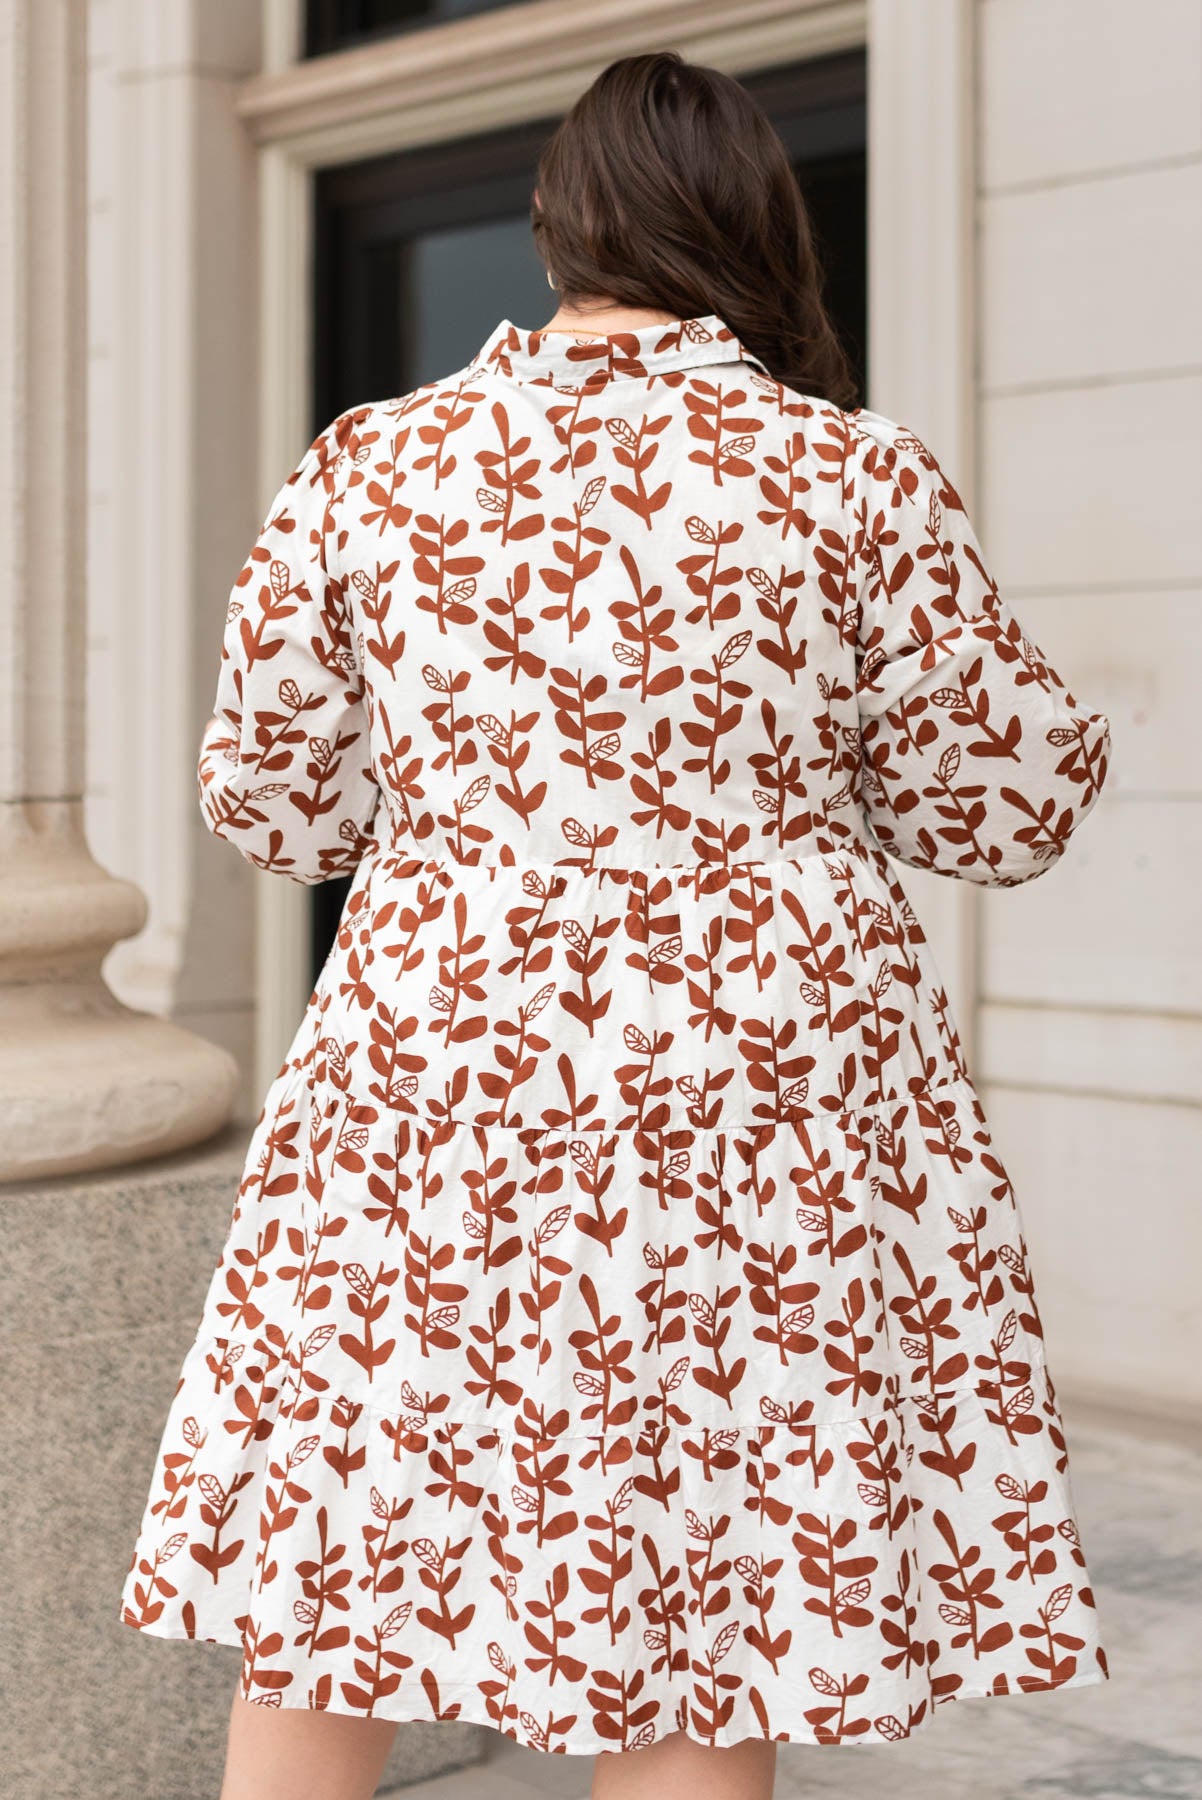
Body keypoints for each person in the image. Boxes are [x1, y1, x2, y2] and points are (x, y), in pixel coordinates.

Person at [118, 48, 1112, 1800]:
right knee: (701, 1597)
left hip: (442, 1067)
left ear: (555, 230)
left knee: (345, 1556)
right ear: (754, 228)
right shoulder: (846, 475)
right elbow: (1007, 804)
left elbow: (274, 804)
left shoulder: (373, 466)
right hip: (754, 1083)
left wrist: (471, 819)